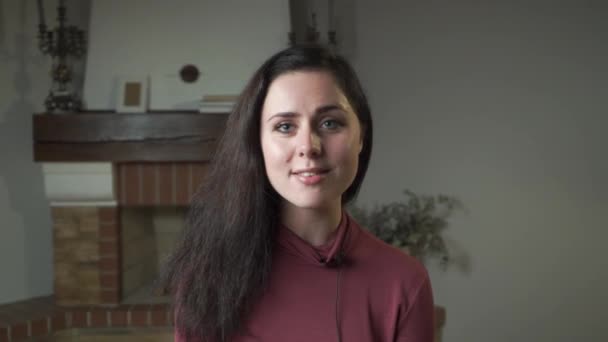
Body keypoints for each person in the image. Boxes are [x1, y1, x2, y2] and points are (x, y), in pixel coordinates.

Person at [162, 45, 435, 342]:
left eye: (330, 123)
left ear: (361, 137)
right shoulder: (208, 277)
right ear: (258, 143)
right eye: (285, 126)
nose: (309, 145)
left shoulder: (404, 282)